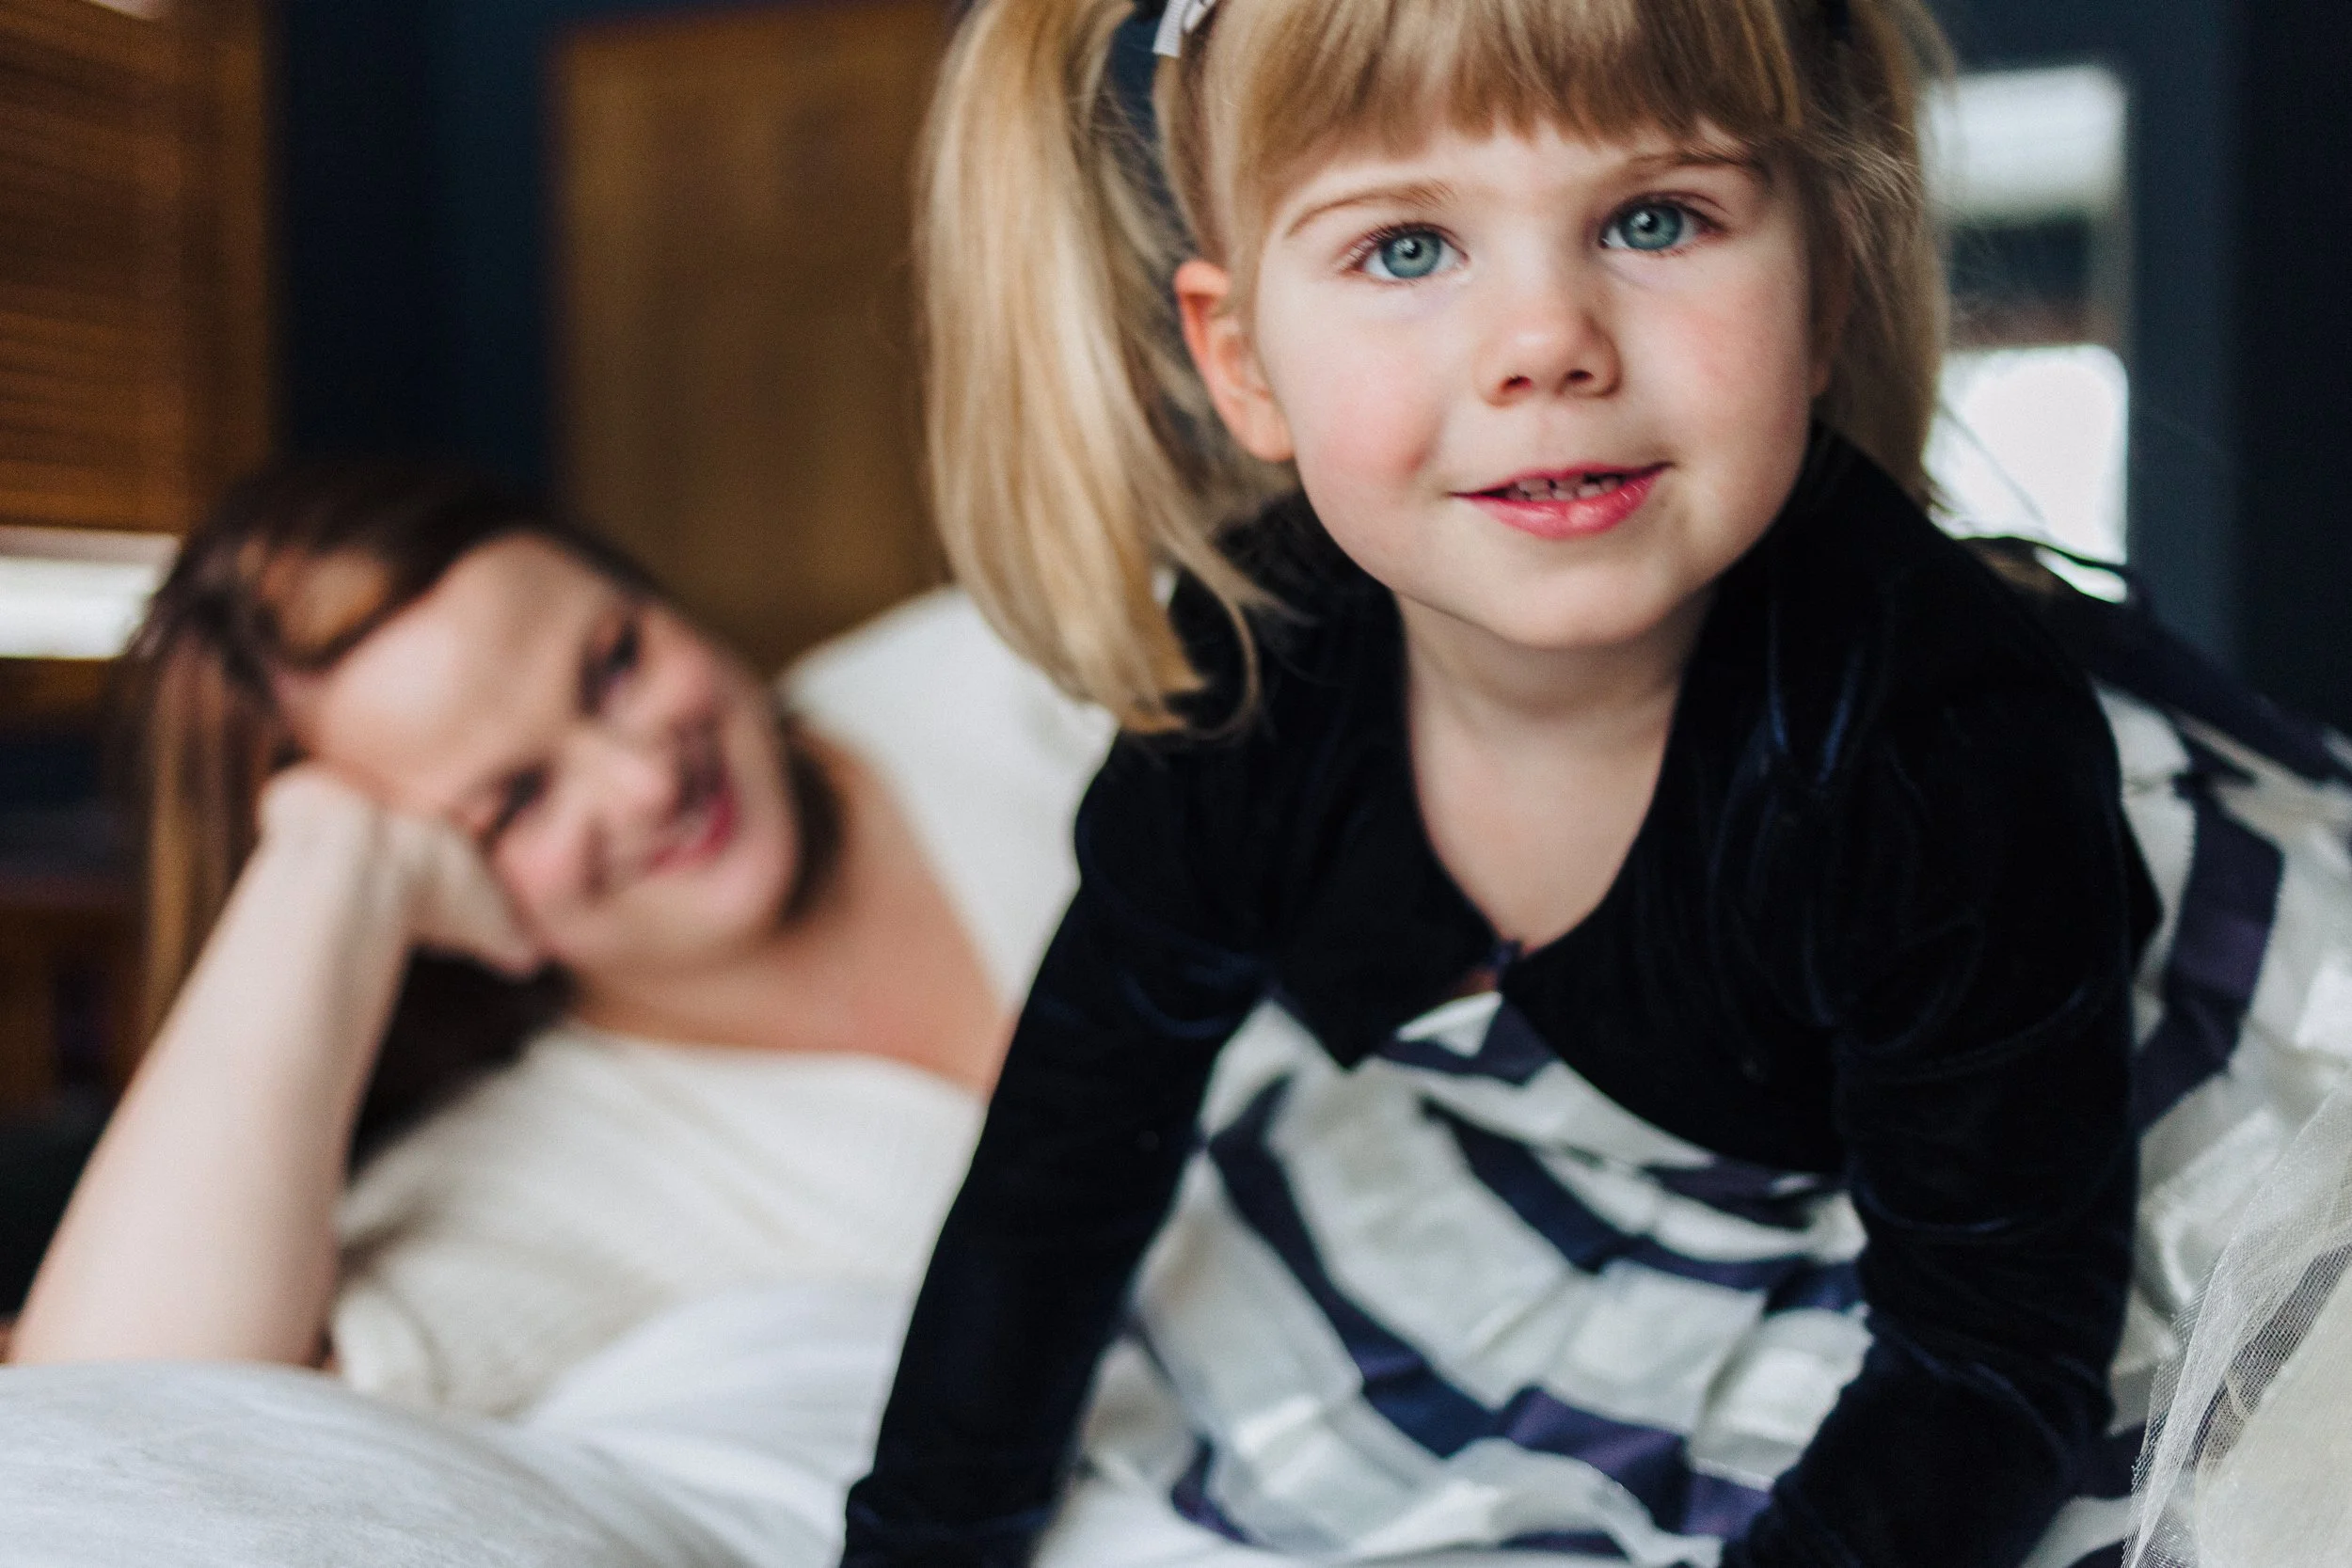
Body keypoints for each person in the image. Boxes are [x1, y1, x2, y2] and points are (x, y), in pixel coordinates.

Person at [833, 2, 2268, 1565]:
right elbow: (1065, 1153)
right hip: (1643, 1140)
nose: (1546, 343)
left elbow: (1998, 1355)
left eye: (1655, 218)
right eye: (1404, 250)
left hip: (2017, 1157)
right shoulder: (1261, 680)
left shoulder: (1934, 747)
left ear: (1824, 288)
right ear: (1243, 361)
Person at [7, 460, 1110, 1413]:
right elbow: (120, 1409)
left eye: (615, 660)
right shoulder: (548, 1169)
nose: (641, 778)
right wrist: (324, 868)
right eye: (516, 798)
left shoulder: (1030, 666)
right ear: (428, 897)